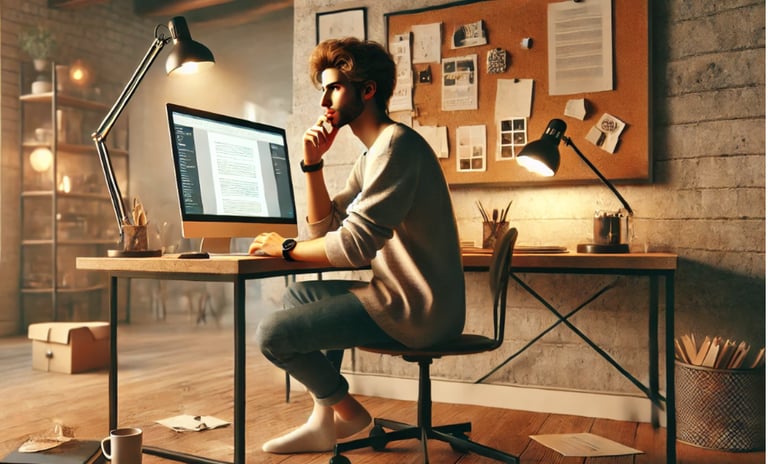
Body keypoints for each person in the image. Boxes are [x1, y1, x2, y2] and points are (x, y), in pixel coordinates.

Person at [249, 37, 465, 454]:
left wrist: (283, 248)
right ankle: (323, 419)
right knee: (300, 293)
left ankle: (348, 412)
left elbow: (353, 248)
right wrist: (313, 163)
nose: (324, 100)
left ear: (367, 90)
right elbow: (326, 230)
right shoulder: (373, 156)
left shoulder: (396, 146)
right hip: (399, 297)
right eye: (324, 89)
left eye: (334, 87)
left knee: (272, 333)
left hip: (419, 310)